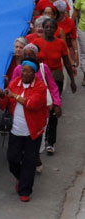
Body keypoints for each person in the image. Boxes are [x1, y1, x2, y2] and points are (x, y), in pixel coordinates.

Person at [0, 58, 48, 202]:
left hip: (33, 131)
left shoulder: (40, 87)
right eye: (22, 70)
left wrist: (14, 95)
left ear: (34, 73)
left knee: (29, 161)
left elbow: (32, 104)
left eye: (27, 71)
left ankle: (25, 190)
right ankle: (21, 177)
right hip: (16, 131)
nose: (23, 73)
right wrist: (1, 95)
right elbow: (3, 104)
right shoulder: (14, 83)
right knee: (12, 159)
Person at [33, 18, 77, 155]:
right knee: (40, 107)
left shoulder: (60, 43)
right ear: (43, 28)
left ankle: (50, 142)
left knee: (53, 108)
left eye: (52, 27)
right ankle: (38, 137)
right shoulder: (36, 43)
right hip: (40, 79)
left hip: (55, 78)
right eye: (46, 27)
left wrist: (72, 80)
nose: (49, 29)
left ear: (56, 29)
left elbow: (67, 62)